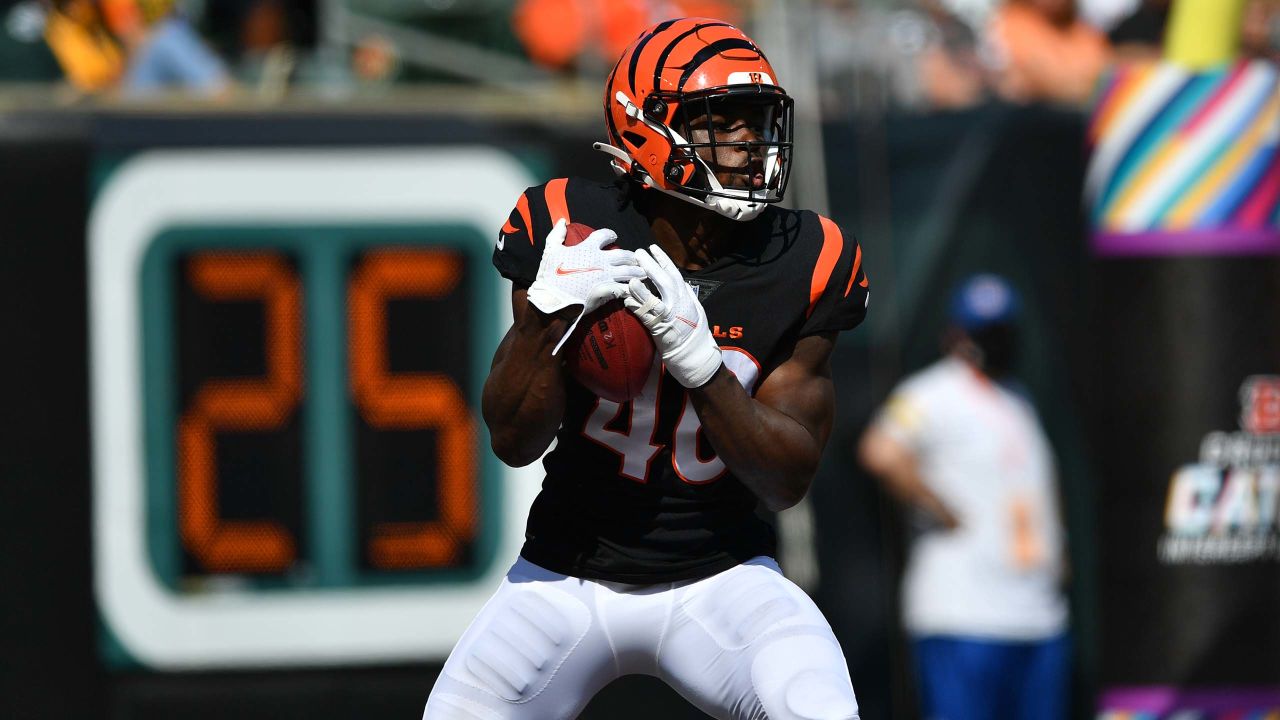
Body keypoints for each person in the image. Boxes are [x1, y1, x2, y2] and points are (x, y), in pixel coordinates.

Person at [423, 17, 870, 720]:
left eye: (757, 120)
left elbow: (785, 480)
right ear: (649, 131)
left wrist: (702, 365)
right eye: (725, 121)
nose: (752, 141)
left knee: (819, 708)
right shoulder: (569, 225)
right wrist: (545, 318)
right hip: (564, 576)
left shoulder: (808, 255)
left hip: (724, 578)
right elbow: (513, 442)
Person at [858, 274, 1070, 720]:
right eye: (986, 332)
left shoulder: (1019, 396)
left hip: (1038, 614)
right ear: (957, 335)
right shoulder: (932, 391)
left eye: (1003, 332)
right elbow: (880, 450)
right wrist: (942, 510)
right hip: (964, 613)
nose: (997, 343)